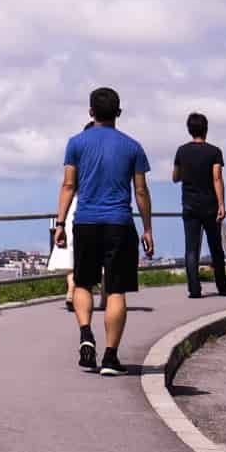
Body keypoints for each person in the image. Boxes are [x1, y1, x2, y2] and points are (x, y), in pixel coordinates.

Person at [54, 87, 154, 375]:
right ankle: (110, 357)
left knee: (83, 284)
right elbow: (141, 191)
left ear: (90, 112)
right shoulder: (133, 147)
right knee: (116, 290)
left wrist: (60, 224)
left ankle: (86, 335)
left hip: (85, 222)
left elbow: (68, 186)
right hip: (120, 224)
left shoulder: (76, 143)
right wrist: (147, 229)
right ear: (118, 113)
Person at [173, 112, 226, 298]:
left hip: (189, 206)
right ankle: (222, 287)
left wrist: (185, 173)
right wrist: (221, 204)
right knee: (216, 248)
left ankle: (194, 290)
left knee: (191, 249)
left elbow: (175, 177)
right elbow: (217, 178)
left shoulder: (181, 151)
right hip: (210, 206)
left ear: (189, 130)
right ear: (206, 129)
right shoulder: (214, 152)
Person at [49, 121, 93, 322]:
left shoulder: (77, 152)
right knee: (93, 253)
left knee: (70, 252)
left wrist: (60, 220)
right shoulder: (102, 158)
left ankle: (70, 291)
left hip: (74, 205)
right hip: (94, 206)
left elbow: (68, 184)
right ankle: (100, 297)